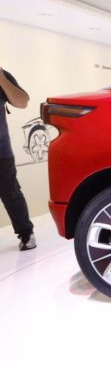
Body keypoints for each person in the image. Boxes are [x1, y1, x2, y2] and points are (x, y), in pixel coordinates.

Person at [0, 67, 36, 250]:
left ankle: (26, 233)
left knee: (11, 193)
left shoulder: (3, 76)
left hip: (1, 151)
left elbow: (22, 102)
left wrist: (1, 78)